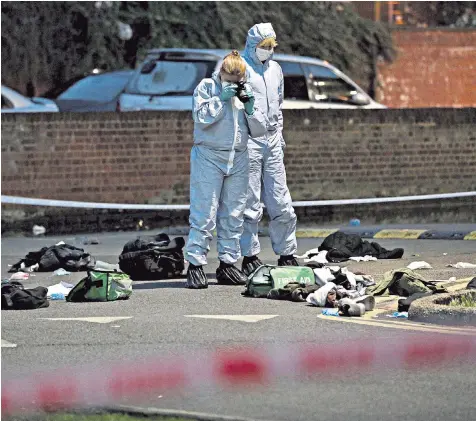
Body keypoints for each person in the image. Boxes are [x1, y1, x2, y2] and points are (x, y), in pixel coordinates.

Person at [185, 50, 268, 289]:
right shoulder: (206, 87)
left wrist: (250, 107)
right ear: (221, 73)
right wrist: (220, 99)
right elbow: (200, 118)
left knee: (234, 213)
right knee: (204, 211)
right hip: (209, 156)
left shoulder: (246, 90)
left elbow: (260, 130)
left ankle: (228, 263)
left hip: (239, 157)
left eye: (238, 80)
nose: (234, 84)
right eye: (229, 79)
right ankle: (195, 265)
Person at [240, 23, 298, 276]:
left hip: (272, 140)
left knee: (280, 199)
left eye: (271, 46)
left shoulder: (275, 70)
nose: (268, 50)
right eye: (264, 46)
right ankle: (249, 255)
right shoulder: (240, 68)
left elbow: (279, 104)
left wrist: (280, 138)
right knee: (249, 202)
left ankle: (287, 252)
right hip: (249, 141)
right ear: (253, 45)